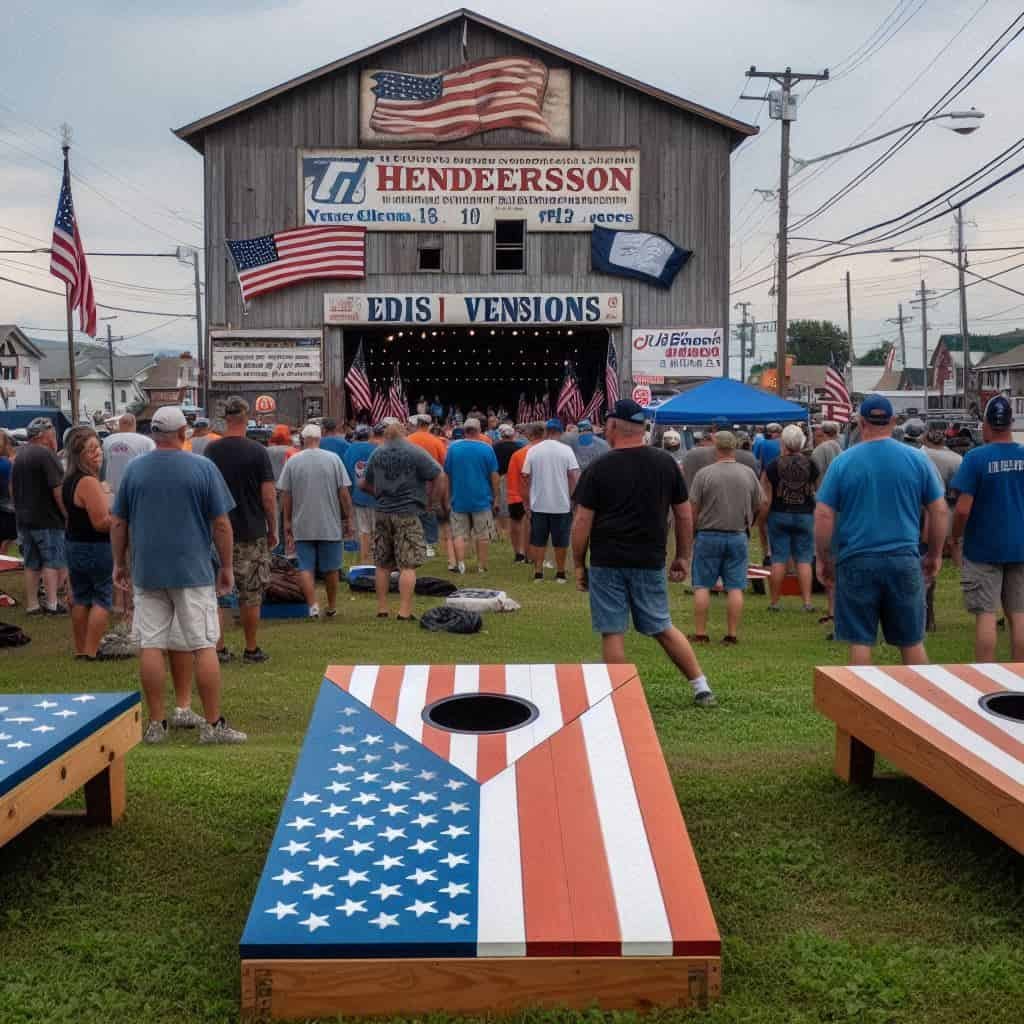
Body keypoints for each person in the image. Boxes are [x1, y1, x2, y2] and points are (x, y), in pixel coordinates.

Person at [110, 406, 246, 744]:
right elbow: (221, 524)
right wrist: (227, 567)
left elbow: (118, 522)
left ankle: (157, 724)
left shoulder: (134, 470)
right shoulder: (202, 467)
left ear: (153, 434)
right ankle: (213, 725)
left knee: (151, 645)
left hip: (148, 570)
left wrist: (119, 563)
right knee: (204, 644)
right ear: (183, 433)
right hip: (192, 570)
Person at [572, 399, 715, 708]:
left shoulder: (598, 468)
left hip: (607, 559)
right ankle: (701, 686)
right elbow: (684, 514)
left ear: (611, 427)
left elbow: (583, 521)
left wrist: (578, 564)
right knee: (661, 625)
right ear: (642, 428)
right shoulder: (666, 464)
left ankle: (622, 697)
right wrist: (683, 556)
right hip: (650, 558)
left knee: (612, 631)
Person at [814, 395, 946, 666]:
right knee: (911, 642)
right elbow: (940, 510)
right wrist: (934, 554)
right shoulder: (917, 460)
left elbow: (824, 513)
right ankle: (924, 702)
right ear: (893, 422)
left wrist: (824, 558)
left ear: (861, 423)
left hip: (856, 559)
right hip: (904, 558)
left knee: (860, 641)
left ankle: (862, 705)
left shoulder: (843, 462)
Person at [951, 395, 1024, 661]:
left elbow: (961, 509)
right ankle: (1020, 679)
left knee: (986, 615)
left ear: (986, 424)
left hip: (983, 547)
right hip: (1021, 546)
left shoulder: (976, 458)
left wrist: (955, 538)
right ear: (1011, 423)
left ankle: (986, 678)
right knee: (1019, 615)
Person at [204, 397, 277, 664]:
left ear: (226, 419)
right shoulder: (258, 452)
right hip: (251, 529)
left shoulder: (212, 451)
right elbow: (268, 496)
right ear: (246, 419)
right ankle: (251, 647)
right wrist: (273, 528)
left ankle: (220, 648)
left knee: (218, 593)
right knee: (251, 593)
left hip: (216, 531)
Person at [688, 431, 765, 645]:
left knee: (702, 585)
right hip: (738, 534)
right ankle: (731, 634)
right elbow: (761, 502)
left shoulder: (704, 474)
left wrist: (693, 531)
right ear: (735, 448)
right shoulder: (748, 473)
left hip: (708, 534)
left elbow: (692, 508)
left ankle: (701, 633)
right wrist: (750, 521)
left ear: (716, 447)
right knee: (735, 586)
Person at [362, 421, 442, 620]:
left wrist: (378, 494)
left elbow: (363, 483)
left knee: (382, 563)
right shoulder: (414, 451)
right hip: (407, 512)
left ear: (386, 435)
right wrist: (431, 502)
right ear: (404, 433)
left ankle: (382, 608)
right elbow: (438, 475)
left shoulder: (377, 453)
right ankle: (404, 611)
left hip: (382, 512)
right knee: (407, 564)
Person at [277, 422, 354, 618]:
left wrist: (287, 521)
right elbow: (343, 493)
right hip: (329, 522)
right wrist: (349, 517)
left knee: (305, 566)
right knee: (331, 568)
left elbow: (286, 494)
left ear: (303, 439)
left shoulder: (293, 461)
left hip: (302, 522)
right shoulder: (334, 459)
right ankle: (332, 606)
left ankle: (312, 606)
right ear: (319, 439)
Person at [63, 427, 113, 659]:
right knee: (102, 597)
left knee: (82, 597)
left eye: (98, 448)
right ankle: (92, 650)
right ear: (80, 454)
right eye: (91, 450)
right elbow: (101, 523)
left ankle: (81, 648)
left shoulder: (69, 481)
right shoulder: (88, 482)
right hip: (96, 546)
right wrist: (122, 518)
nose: (98, 453)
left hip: (74, 544)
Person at [11, 416, 67, 615]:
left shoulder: (19, 455)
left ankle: (32, 604)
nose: (55, 438)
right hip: (47, 518)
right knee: (52, 560)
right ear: (44, 435)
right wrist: (66, 514)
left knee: (32, 563)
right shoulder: (47, 455)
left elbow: (12, 489)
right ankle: (52, 603)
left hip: (25, 518)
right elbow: (58, 489)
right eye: (52, 434)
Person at [762, 424, 819, 611]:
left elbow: (766, 498)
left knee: (779, 558)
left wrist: (760, 519)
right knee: (803, 559)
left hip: (779, 513)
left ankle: (774, 602)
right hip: (805, 514)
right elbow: (816, 491)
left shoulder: (772, 466)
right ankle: (808, 602)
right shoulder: (812, 464)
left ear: (783, 442)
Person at [522, 418, 580, 583]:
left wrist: (527, 500)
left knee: (539, 540)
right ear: (560, 433)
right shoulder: (566, 450)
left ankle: (538, 572)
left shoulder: (533, 450)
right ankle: (560, 573)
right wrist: (574, 498)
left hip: (538, 503)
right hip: (561, 503)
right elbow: (574, 476)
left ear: (546, 432)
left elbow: (525, 476)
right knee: (560, 541)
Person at [444, 417, 499, 574]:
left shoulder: (453, 448)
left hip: (458, 498)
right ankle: (481, 566)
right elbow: (494, 475)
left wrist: (448, 496)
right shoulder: (487, 449)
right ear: (479, 430)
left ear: (465, 431)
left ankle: (461, 564)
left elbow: (447, 474)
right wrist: (495, 497)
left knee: (459, 534)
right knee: (482, 535)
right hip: (481, 498)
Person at [922, 422, 963, 630]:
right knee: (951, 544)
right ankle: (959, 569)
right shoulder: (957, 459)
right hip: (950, 506)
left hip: (926, 512)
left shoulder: (919, 456)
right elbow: (961, 489)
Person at [407, 413, 447, 558]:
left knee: (412, 514)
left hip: (410, 483)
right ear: (429, 425)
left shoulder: (408, 440)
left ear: (417, 424)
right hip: (431, 483)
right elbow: (444, 465)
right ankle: (429, 545)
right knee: (429, 512)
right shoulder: (437, 442)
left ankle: (413, 543)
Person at [681, 418, 758, 489]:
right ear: (732, 433)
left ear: (713, 431)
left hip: (697, 501)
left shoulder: (693, 455)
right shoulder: (748, 457)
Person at [506, 422, 543, 564]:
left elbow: (512, 476)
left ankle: (519, 553)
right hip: (538, 495)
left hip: (517, 494)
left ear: (529, 435)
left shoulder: (518, 454)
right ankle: (531, 555)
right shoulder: (545, 453)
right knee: (534, 526)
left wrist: (512, 495)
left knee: (516, 523)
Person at [342, 424, 378, 563]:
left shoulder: (349, 450)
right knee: (377, 531)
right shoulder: (376, 449)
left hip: (358, 497)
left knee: (363, 531)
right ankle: (377, 561)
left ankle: (365, 561)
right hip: (376, 496)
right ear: (369, 435)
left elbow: (346, 476)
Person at [101, 413, 154, 496]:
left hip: (112, 492)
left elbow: (101, 465)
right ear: (134, 424)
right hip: (136, 492)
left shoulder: (106, 441)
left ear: (120, 425)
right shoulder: (147, 442)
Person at [492, 422, 522, 543]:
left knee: (499, 505)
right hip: (515, 478)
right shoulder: (519, 447)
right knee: (512, 505)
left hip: (499, 477)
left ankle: (500, 531)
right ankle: (509, 529)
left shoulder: (494, 447)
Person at [0, 430, 16, 555]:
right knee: (7, 538)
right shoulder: (6, 464)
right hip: (7, 509)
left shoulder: (6, 463)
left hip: (5, 508)